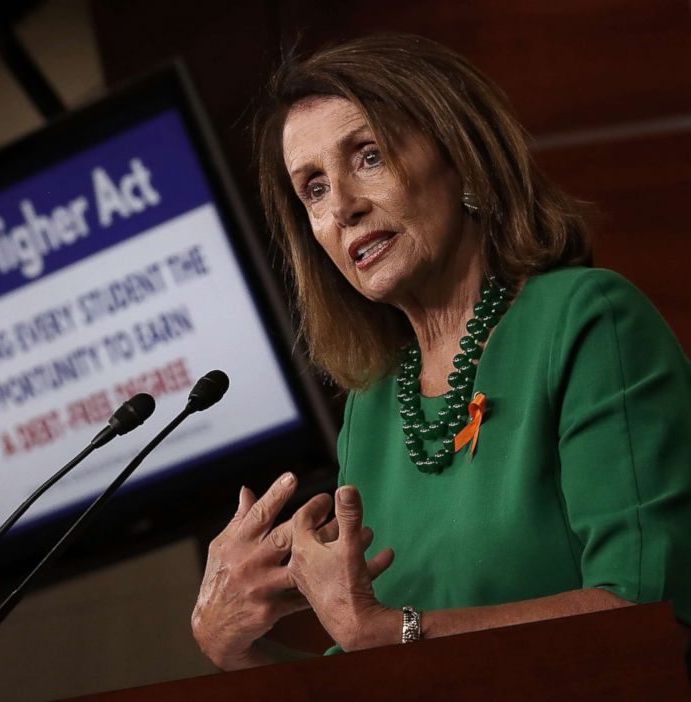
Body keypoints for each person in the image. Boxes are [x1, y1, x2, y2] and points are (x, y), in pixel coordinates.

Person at [190, 33, 691, 671]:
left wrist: (401, 631)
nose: (342, 206)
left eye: (367, 156)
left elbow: (651, 614)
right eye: (313, 188)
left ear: (460, 156)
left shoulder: (589, 321)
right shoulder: (371, 410)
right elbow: (369, 674)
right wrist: (236, 649)